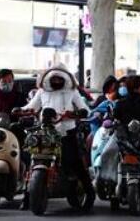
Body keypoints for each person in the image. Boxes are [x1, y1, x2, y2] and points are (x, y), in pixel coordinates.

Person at [23, 63, 95, 210]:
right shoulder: (42, 92)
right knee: (30, 156)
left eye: (59, 79)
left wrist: (75, 114)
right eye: (53, 79)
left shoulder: (72, 91)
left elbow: (85, 109)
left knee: (74, 162)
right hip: (45, 130)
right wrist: (21, 110)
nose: (56, 81)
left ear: (65, 79)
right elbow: (32, 106)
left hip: (67, 131)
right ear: (48, 79)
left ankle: (90, 192)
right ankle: (26, 196)